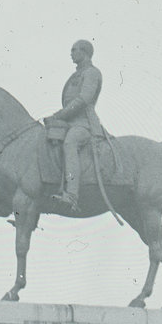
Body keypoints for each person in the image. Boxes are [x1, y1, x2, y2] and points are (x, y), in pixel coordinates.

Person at [44, 39, 103, 210]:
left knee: (70, 143)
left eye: (74, 50)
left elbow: (84, 99)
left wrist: (58, 115)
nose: (71, 54)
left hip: (85, 125)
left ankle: (71, 195)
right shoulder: (76, 75)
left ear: (84, 52)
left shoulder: (91, 73)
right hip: (69, 123)